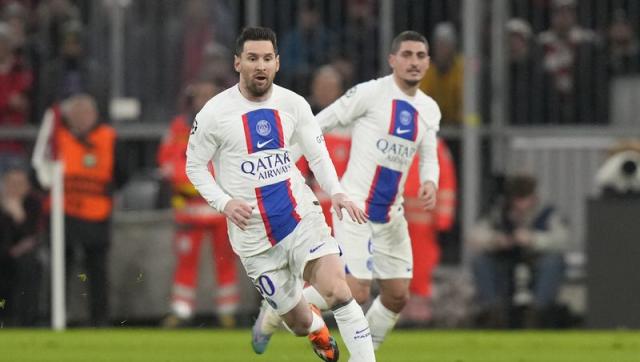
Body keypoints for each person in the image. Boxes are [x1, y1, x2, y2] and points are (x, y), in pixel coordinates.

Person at [185, 27, 376, 361]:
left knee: (339, 290)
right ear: (237, 63)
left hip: (300, 216)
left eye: (267, 58)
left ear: (277, 63)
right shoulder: (214, 114)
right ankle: (310, 326)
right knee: (299, 323)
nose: (260, 65)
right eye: (252, 58)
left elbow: (317, 155)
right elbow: (194, 167)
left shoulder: (294, 104)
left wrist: (338, 192)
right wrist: (225, 202)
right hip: (254, 238)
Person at [256, 30, 441, 351]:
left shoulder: (429, 108)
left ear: (427, 63)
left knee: (397, 296)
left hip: (391, 215)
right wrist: (284, 164)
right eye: (407, 55)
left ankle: (358, 347)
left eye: (420, 56)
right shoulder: (370, 93)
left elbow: (428, 154)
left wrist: (430, 181)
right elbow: (319, 123)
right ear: (392, 60)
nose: (414, 62)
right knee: (356, 290)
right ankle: (280, 308)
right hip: (355, 207)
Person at [32, 94, 127, 327]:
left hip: (97, 212)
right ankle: (55, 317)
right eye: (77, 114)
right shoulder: (57, 138)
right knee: (59, 268)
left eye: (86, 113)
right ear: (67, 117)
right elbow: (37, 174)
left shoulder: (109, 138)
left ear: (95, 115)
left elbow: (123, 173)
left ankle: (99, 320)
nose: (82, 118)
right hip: (62, 213)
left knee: (97, 270)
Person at [158, 79, 240, 328]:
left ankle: (228, 312)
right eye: (200, 94)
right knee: (185, 260)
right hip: (190, 208)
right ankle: (181, 312)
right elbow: (168, 162)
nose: (204, 100)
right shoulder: (178, 128)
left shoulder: (231, 126)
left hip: (221, 207)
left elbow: (235, 163)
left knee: (226, 259)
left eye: (209, 94)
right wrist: (197, 183)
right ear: (191, 99)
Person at [468, 175, 568, 328]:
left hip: (537, 260)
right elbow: (475, 236)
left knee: (553, 262)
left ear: (534, 197)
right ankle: (493, 311)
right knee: (481, 262)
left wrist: (534, 239)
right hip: (504, 260)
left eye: (524, 198)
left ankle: (538, 312)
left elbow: (562, 240)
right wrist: (496, 240)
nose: (520, 205)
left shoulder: (548, 213)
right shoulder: (498, 212)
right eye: (517, 199)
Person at [401, 138, 456, 325]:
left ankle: (418, 308)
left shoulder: (433, 145)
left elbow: (446, 182)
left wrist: (442, 220)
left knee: (421, 266)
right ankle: (406, 306)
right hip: (396, 219)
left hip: (422, 223)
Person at [0, 162, 43, 326]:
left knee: (29, 264)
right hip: (4, 253)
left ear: (27, 187)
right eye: (11, 184)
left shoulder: (34, 204)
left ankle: (24, 320)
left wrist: (19, 216)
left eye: (20, 184)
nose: (15, 188)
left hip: (24, 254)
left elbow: (34, 236)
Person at [419, 22, 462, 126]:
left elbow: (464, 101)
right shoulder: (427, 71)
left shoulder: (461, 69)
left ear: (453, 47)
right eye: (438, 45)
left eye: (445, 45)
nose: (441, 50)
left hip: (460, 127)